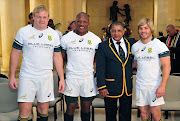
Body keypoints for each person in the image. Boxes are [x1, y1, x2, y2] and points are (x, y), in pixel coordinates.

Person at [9, 5, 65, 121]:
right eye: (39, 17)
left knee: (43, 111)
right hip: (27, 77)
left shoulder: (54, 34)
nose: (42, 20)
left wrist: (62, 78)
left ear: (48, 18)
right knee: (25, 112)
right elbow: (15, 53)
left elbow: (57, 56)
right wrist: (12, 76)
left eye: (44, 17)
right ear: (33, 17)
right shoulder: (23, 32)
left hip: (46, 77)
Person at [60, 12, 101, 121]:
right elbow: (61, 59)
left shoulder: (95, 39)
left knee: (86, 107)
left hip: (88, 78)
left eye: (84, 21)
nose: (81, 24)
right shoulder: (66, 38)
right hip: (71, 78)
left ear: (88, 23)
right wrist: (61, 78)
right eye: (79, 21)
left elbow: (98, 61)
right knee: (71, 107)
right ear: (75, 22)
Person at [131, 18, 171, 121]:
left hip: (155, 86)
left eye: (146, 28)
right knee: (143, 113)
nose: (143, 31)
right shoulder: (135, 46)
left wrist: (162, 86)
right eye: (140, 28)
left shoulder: (159, 45)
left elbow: (167, 66)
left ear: (151, 30)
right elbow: (134, 64)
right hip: (140, 85)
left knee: (156, 115)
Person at [96, 21, 134, 121]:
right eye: (113, 31)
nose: (116, 33)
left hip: (126, 86)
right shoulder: (103, 46)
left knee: (126, 114)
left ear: (124, 31)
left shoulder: (130, 43)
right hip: (110, 86)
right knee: (110, 114)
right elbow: (100, 68)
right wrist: (102, 86)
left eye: (119, 31)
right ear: (110, 32)